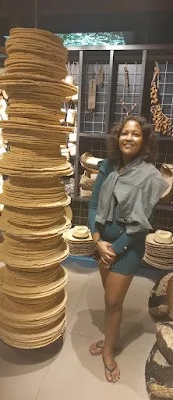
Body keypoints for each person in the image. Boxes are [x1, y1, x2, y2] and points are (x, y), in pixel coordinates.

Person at [88, 116, 168, 383]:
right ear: (117, 137)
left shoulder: (151, 176)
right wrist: (98, 240)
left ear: (144, 140)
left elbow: (140, 226)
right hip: (103, 245)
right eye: (124, 133)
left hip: (128, 246)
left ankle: (108, 351)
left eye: (135, 134)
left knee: (112, 301)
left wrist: (115, 248)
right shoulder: (108, 167)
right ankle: (114, 338)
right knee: (112, 300)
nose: (129, 138)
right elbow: (91, 208)